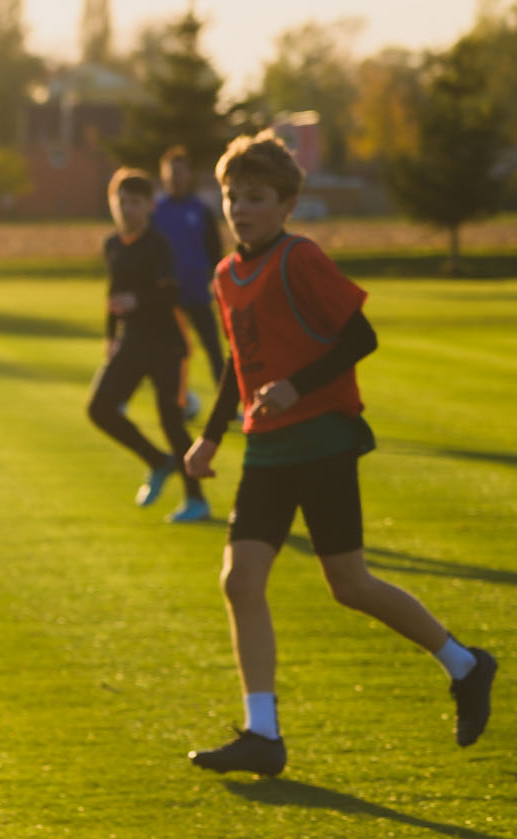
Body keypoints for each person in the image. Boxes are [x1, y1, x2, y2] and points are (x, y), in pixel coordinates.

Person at [183, 131, 496, 775]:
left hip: (323, 440)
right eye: (233, 196)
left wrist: (297, 386)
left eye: (256, 197)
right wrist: (210, 436)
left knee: (349, 585)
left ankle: (465, 664)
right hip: (266, 449)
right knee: (240, 580)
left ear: (287, 204)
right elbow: (238, 362)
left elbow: (360, 336)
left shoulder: (300, 259)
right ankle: (263, 734)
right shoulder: (225, 275)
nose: (241, 208)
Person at [86, 167, 212, 524]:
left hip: (167, 344)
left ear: (149, 206)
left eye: (135, 203)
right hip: (132, 342)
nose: (127, 209)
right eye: (121, 202)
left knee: (172, 422)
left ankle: (196, 500)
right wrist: (111, 335)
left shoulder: (159, 246)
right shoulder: (113, 245)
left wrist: (138, 301)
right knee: (99, 409)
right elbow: (114, 293)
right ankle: (158, 461)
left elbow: (171, 294)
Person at [153, 146, 227, 417]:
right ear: (163, 175)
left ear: (189, 175)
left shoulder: (201, 211)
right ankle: (175, 403)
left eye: (180, 172)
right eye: (170, 173)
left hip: (197, 294)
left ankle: (228, 406)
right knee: (171, 353)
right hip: (166, 299)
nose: (175, 177)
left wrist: (215, 285)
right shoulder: (155, 212)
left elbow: (215, 253)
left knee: (214, 351)